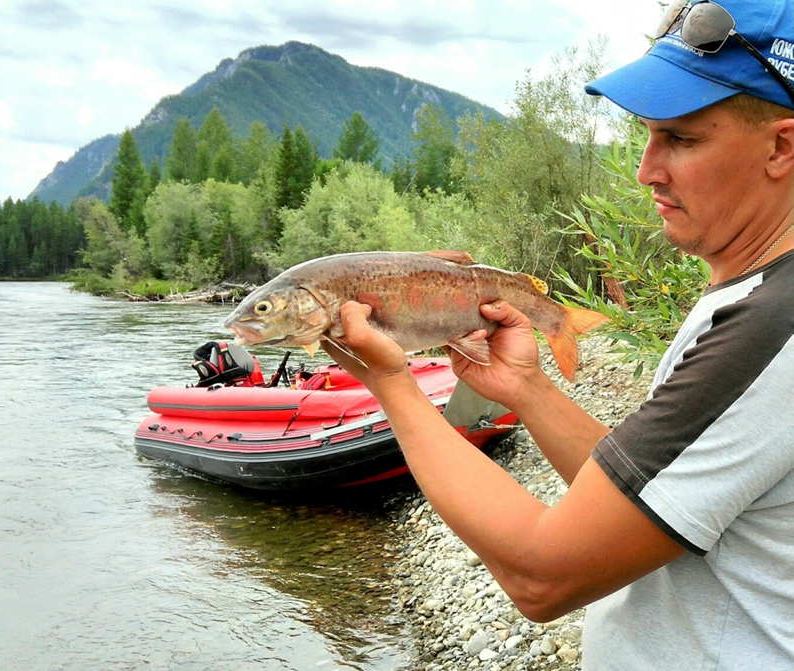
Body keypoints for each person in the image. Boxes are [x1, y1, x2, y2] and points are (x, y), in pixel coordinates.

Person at [322, 0, 794, 668]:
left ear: (781, 146)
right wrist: (526, 386)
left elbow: (542, 576)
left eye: (681, 140)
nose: (645, 170)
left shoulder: (770, 327)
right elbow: (647, 496)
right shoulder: (755, 292)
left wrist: (389, 381)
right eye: (648, 136)